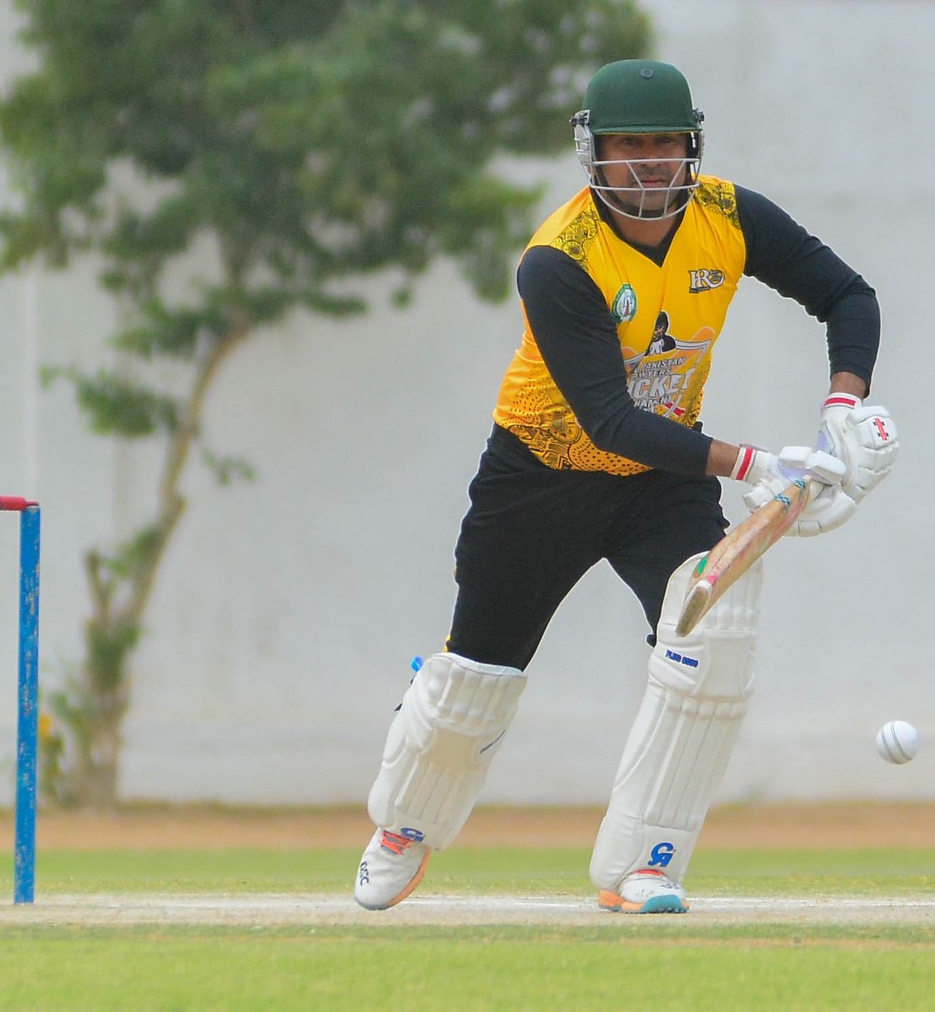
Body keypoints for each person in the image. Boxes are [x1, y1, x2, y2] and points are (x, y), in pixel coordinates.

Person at [354, 59, 899, 914]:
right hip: (539, 473)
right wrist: (758, 465)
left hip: (661, 481)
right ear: (595, 152)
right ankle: (405, 824)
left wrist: (842, 410)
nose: (647, 161)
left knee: (714, 637)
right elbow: (609, 419)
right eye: (628, 144)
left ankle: (647, 862)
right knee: (478, 675)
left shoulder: (728, 215)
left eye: (663, 143)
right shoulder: (558, 260)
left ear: (691, 146)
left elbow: (847, 295)